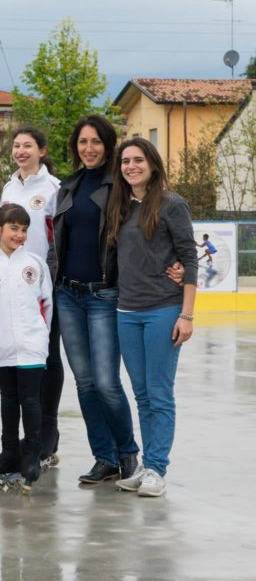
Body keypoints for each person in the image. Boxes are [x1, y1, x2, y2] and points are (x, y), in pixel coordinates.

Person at [53, 115, 140, 485]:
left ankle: (127, 452)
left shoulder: (119, 185)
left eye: (96, 142)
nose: (89, 148)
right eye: (82, 142)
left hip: (104, 294)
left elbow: (144, 228)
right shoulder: (68, 186)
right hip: (67, 294)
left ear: (108, 145)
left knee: (106, 382)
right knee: (85, 382)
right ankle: (103, 458)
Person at [107, 138, 197, 498]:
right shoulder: (121, 205)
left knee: (159, 393)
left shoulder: (172, 204)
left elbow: (189, 258)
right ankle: (147, 465)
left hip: (163, 310)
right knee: (142, 394)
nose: (131, 166)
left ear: (153, 164)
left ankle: (157, 468)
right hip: (126, 312)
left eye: (138, 160)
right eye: (126, 161)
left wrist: (186, 315)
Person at [0, 203, 53, 493]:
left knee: (30, 400)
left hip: (32, 345)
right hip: (2, 347)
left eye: (24, 229)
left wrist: (40, 337)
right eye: (13, 228)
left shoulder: (34, 263)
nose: (19, 235)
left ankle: (32, 453)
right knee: (8, 399)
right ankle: (9, 451)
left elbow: (46, 305)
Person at [0, 127, 63, 468]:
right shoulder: (9, 188)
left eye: (28, 146)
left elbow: (57, 239)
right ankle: (29, 434)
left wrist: (50, 279)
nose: (21, 151)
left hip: (43, 285)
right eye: (17, 145)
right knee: (22, 360)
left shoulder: (53, 189)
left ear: (42, 149)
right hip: (12, 288)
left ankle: (48, 433)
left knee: (47, 355)